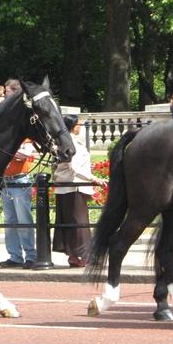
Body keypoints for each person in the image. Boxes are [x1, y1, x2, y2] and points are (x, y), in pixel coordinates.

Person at [53, 114, 107, 267]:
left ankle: (74, 256)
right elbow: (74, 168)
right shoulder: (71, 143)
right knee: (79, 222)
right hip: (74, 186)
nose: (80, 127)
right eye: (78, 124)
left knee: (73, 221)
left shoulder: (65, 142)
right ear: (73, 126)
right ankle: (83, 256)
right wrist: (93, 179)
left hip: (68, 186)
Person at [0, 78, 39, 269]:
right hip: (6, 180)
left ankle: (31, 255)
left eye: (7, 91)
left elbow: (26, 154)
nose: (4, 94)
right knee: (10, 221)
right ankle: (15, 256)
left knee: (24, 220)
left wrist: (8, 150)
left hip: (20, 178)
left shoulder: (24, 126)